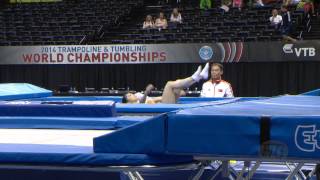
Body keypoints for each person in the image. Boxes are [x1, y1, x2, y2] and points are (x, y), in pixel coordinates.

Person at [122, 63, 210, 104]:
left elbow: (156, 99)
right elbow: (142, 103)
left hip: (164, 104)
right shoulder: (133, 105)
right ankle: (196, 77)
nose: (132, 95)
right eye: (129, 96)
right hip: (162, 109)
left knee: (177, 85)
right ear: (127, 102)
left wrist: (176, 93)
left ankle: (199, 77)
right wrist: (146, 92)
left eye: (130, 94)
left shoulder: (139, 98)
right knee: (169, 84)